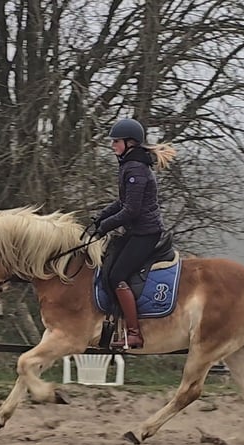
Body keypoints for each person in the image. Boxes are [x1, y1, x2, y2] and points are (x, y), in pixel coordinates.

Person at [92, 118, 177, 349]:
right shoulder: (130, 165)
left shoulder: (136, 170)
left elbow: (131, 210)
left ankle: (134, 333)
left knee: (116, 275)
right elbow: (122, 202)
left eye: (116, 141)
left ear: (129, 143)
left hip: (145, 234)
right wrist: (99, 217)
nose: (112, 146)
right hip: (135, 231)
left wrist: (105, 226)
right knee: (108, 266)